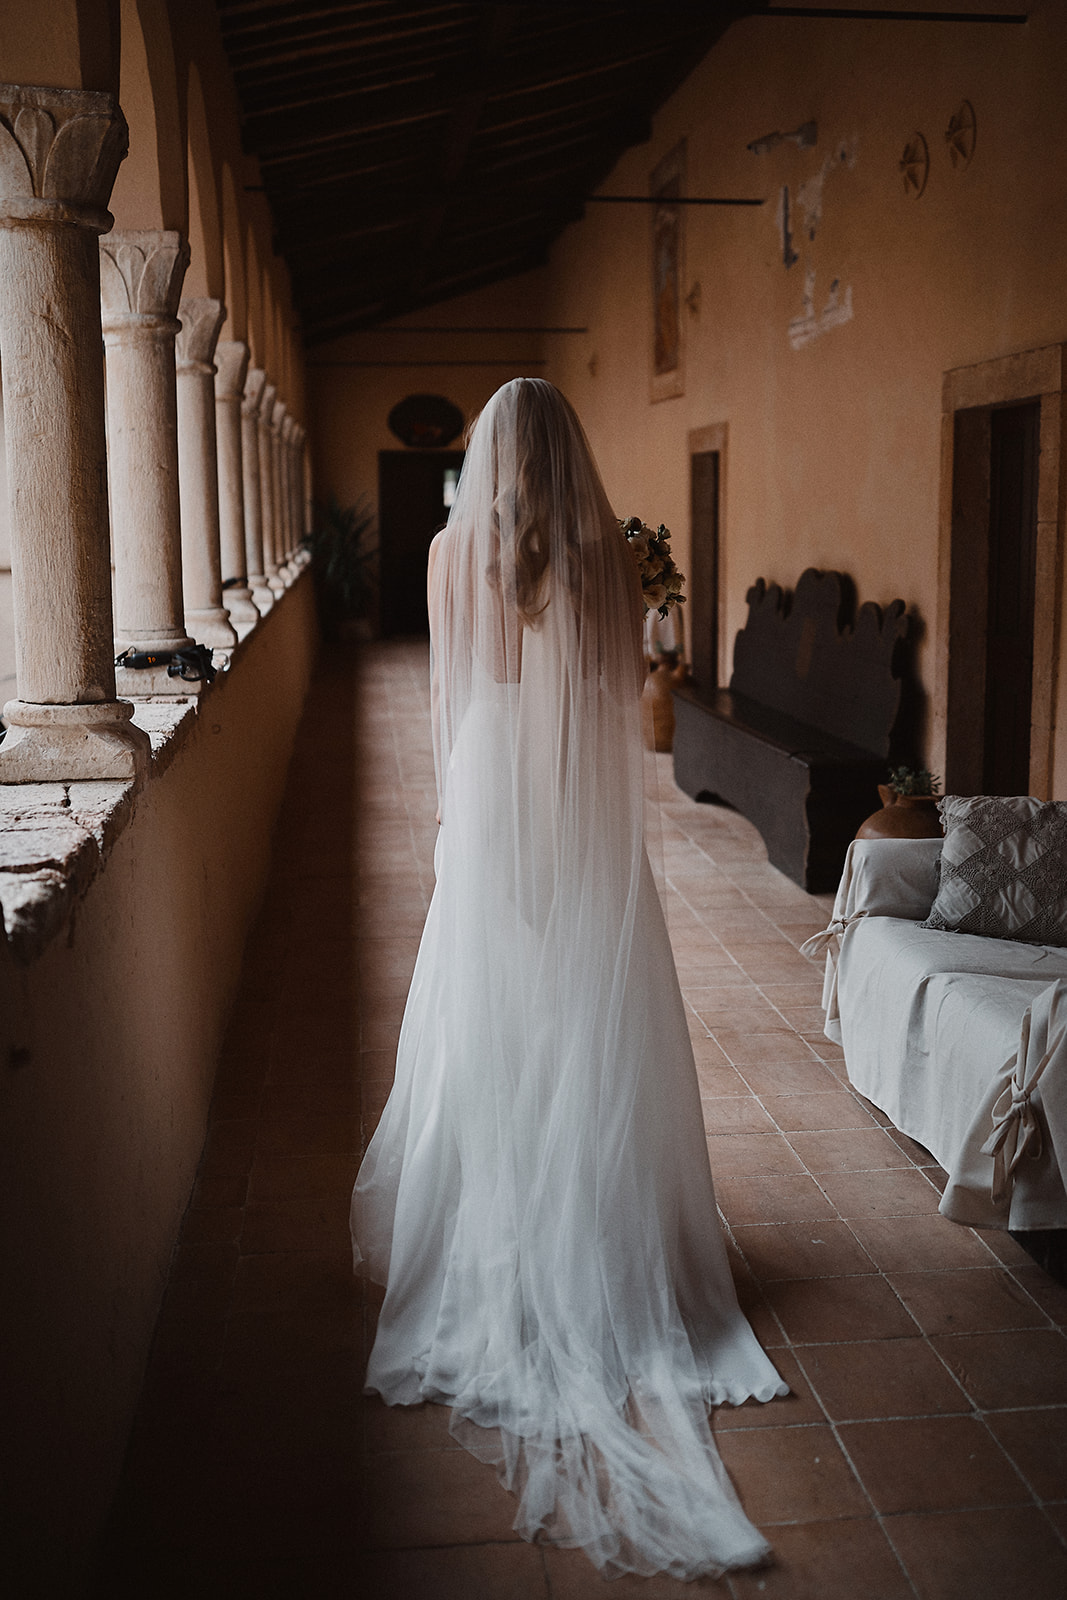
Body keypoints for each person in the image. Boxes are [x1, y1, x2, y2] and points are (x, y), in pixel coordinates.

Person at [350, 378, 786, 1579]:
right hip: (577, 813)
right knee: (585, 1010)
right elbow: (609, 706)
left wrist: (455, 814)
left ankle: (501, 1226)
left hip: (490, 793)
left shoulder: (446, 556)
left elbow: (448, 706)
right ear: (570, 454)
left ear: (487, 455)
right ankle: (603, 1236)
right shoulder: (609, 564)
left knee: (489, 1008)